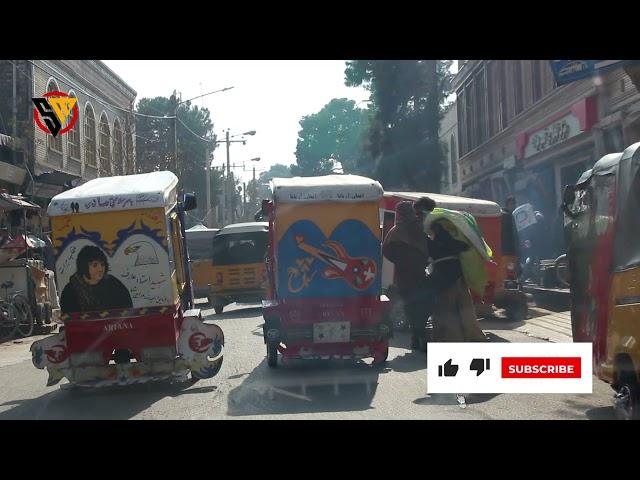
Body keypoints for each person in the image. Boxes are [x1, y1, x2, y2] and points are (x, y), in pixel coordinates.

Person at [382, 199, 435, 350]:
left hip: (404, 277)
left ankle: (417, 336)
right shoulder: (419, 228)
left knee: (412, 308)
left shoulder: (395, 231)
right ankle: (419, 336)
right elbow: (428, 249)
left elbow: (386, 250)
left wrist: (400, 261)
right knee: (421, 306)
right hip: (418, 275)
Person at [427, 221, 487, 343]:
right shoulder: (453, 241)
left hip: (445, 281)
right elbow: (465, 247)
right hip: (460, 279)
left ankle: (453, 339)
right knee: (466, 310)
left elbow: (426, 257)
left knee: (448, 312)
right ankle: (474, 336)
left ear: (434, 231)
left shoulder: (432, 244)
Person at [60, 245, 133, 313]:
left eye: (102, 264)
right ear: (83, 266)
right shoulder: (70, 290)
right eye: (95, 265)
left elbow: (127, 311)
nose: (100, 269)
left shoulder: (114, 284)